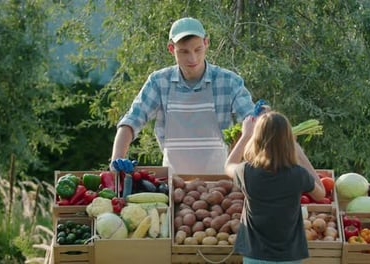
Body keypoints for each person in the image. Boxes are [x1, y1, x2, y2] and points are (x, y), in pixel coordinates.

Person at [109, 17, 258, 175]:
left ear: (206, 43)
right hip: (173, 184)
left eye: (197, 49)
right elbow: (131, 122)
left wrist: (262, 118)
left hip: (221, 183)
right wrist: (116, 159)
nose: (192, 58)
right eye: (184, 51)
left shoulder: (229, 81)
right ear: (171, 49)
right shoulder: (159, 82)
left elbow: (253, 123)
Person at [224, 111, 326, 264]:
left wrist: (245, 136)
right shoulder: (298, 174)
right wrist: (300, 153)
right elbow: (321, 193)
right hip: (289, 256)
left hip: (255, 255)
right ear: (289, 142)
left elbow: (228, 166)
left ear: (257, 140)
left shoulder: (247, 172)